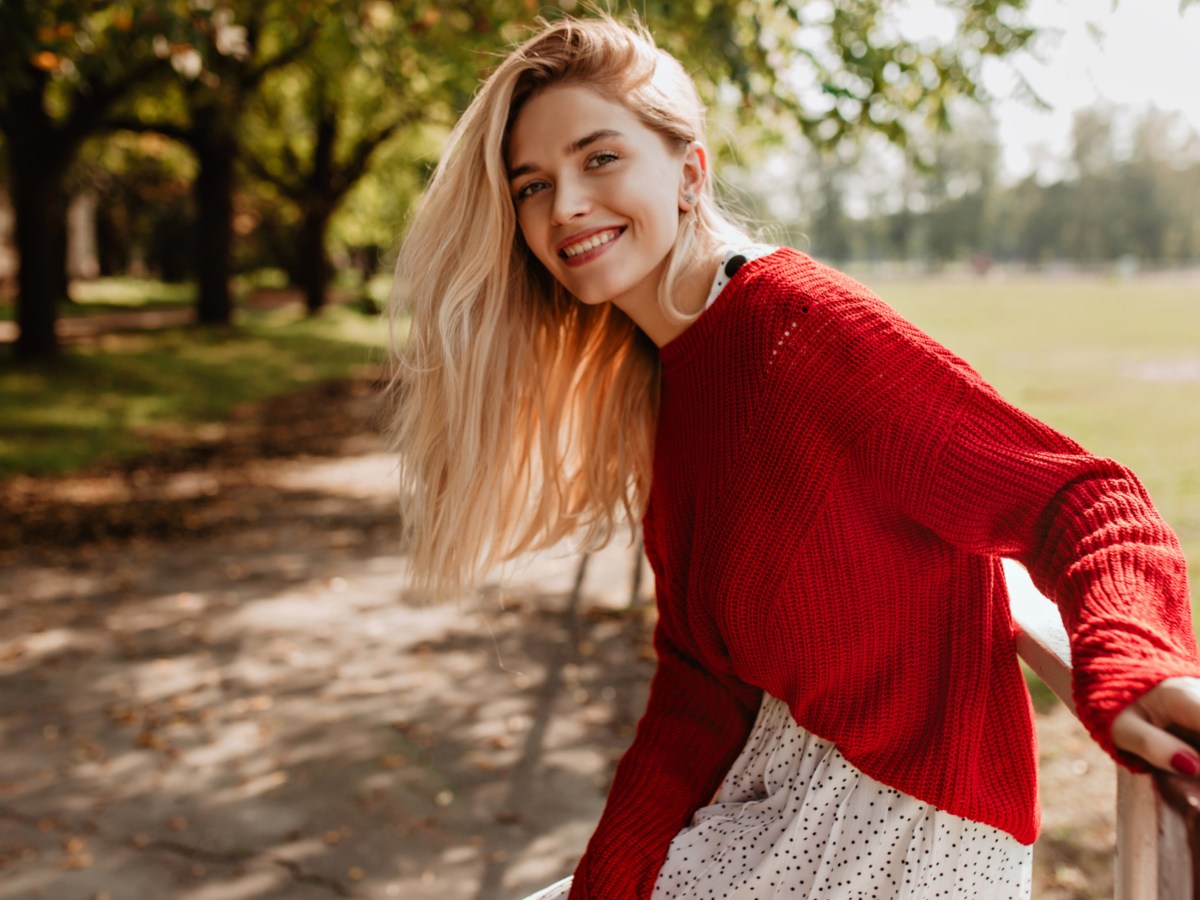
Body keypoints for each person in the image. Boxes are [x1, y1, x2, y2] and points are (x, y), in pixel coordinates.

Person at [387, 13, 1200, 899]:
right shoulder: (674, 374)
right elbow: (701, 678)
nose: (567, 205)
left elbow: (1084, 500)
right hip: (771, 801)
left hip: (904, 837)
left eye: (600, 158)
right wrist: (608, 879)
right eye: (533, 184)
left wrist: (1134, 663)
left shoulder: (801, 335)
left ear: (690, 170)